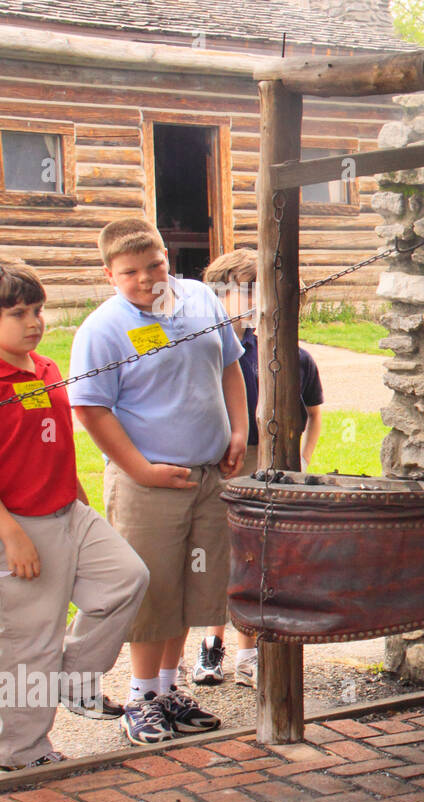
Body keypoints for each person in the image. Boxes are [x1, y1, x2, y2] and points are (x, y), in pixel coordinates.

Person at [69, 220, 246, 745]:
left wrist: (238, 430)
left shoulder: (201, 300)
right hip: (149, 484)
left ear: (168, 257)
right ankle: (141, 697)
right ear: (109, 274)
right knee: (153, 588)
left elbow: (230, 366)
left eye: (155, 265)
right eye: (130, 272)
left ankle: (168, 691)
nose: (147, 279)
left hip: (208, 475)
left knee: (194, 587)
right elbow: (90, 408)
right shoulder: (102, 330)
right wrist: (140, 469)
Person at [0, 259, 149, 769]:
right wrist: (12, 536)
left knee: (126, 579)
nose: (34, 322)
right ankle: (21, 751)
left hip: (68, 509)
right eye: (18, 313)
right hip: (18, 524)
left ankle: (73, 678)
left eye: (37, 310)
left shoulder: (44, 367)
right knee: (30, 644)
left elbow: (51, 439)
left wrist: (78, 491)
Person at [191, 249, 324, 688]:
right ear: (219, 292)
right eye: (243, 290)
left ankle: (248, 653)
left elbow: (313, 411)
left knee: (255, 556)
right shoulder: (202, 344)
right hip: (217, 459)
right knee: (215, 555)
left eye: (259, 291)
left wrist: (303, 456)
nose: (252, 300)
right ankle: (211, 644)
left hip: (263, 459)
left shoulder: (284, 352)